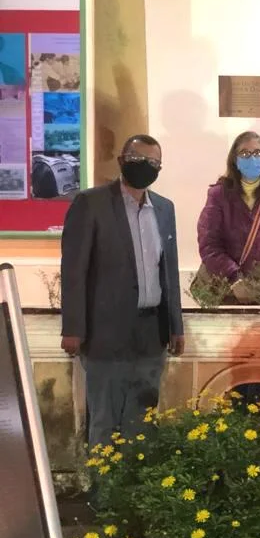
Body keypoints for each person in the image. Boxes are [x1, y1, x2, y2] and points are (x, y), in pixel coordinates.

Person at [60, 134, 184, 447]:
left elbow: (168, 271)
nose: (145, 166)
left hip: (151, 334)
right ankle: (101, 481)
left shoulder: (164, 209)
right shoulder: (91, 203)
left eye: (153, 162)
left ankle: (135, 481)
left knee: (142, 424)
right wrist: (73, 328)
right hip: (105, 334)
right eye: (138, 158)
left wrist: (176, 326)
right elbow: (74, 270)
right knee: (105, 421)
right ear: (121, 160)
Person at [197, 131, 260, 303]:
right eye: (244, 153)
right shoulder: (218, 195)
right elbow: (209, 244)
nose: (252, 158)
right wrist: (235, 279)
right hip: (226, 289)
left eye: (258, 153)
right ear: (235, 160)